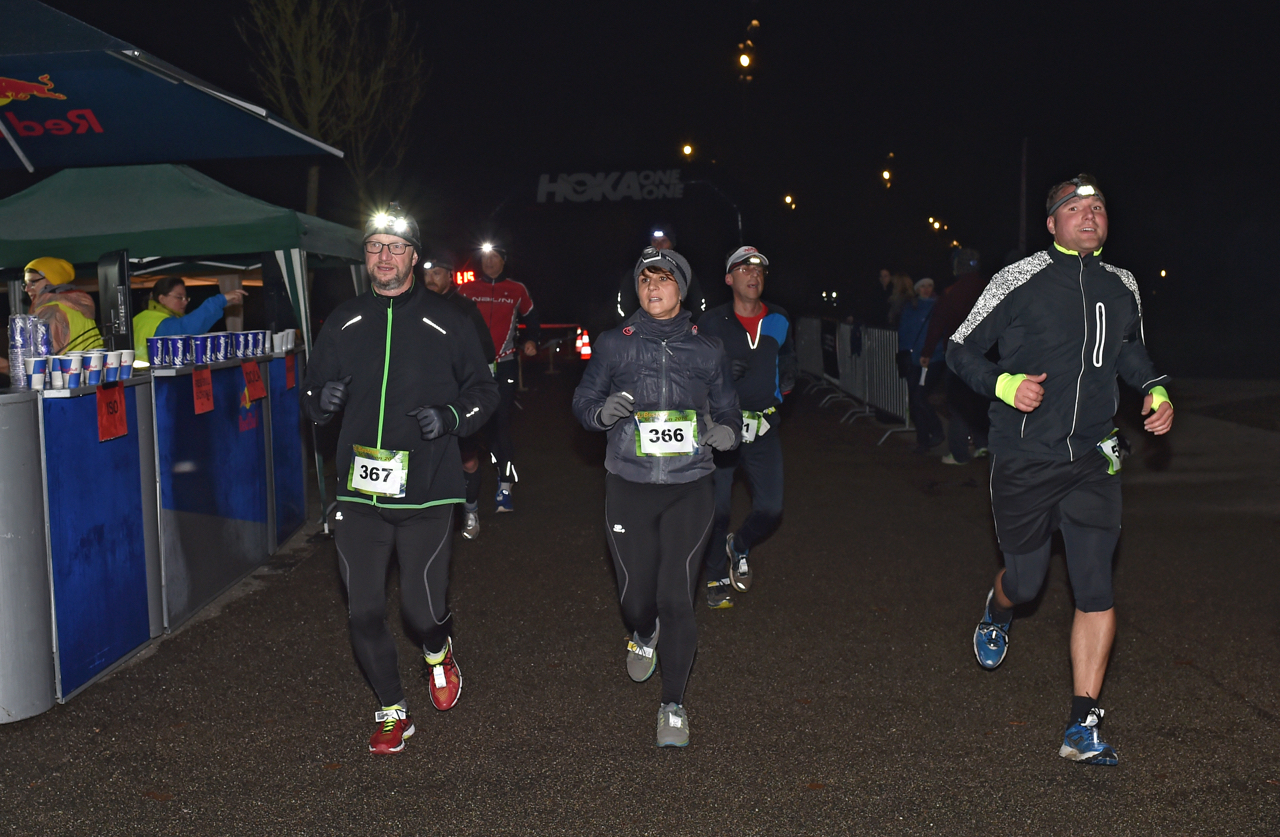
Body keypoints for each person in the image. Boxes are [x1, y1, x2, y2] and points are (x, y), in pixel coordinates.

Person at [947, 174, 1174, 765]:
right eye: (1075, 208)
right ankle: (998, 609)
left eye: (1098, 207)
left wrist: (1153, 388)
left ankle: (1082, 725)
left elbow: (1125, 347)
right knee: (1026, 585)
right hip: (1025, 457)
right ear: (1052, 223)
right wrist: (1005, 383)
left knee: (1095, 587)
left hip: (1095, 459)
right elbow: (959, 346)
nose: (1089, 214)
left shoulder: (1121, 284)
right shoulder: (1020, 278)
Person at [301, 204, 499, 754]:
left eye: (395, 247)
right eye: (374, 247)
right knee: (362, 609)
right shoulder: (343, 320)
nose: (383, 257)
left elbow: (485, 393)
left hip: (428, 488)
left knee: (420, 610)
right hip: (360, 491)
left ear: (413, 256)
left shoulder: (449, 320)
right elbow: (311, 397)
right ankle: (392, 709)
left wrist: (452, 418)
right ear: (365, 257)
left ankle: (438, 652)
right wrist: (323, 402)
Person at [572, 246, 741, 747]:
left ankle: (673, 705)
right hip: (629, 483)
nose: (652, 289)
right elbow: (583, 401)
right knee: (636, 598)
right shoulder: (613, 344)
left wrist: (728, 433)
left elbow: (728, 409)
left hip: (690, 485)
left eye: (663, 280)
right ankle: (643, 633)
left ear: (681, 289)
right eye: (645, 280)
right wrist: (600, 413)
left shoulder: (707, 349)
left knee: (676, 596)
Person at [698, 246, 795, 608]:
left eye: (759, 271)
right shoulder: (710, 323)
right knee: (718, 508)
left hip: (764, 427)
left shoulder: (780, 318)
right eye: (743, 269)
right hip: (723, 426)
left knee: (771, 509)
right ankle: (715, 575)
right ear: (729, 279)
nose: (753, 276)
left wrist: (789, 377)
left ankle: (739, 546)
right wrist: (720, 374)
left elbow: (788, 358)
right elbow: (692, 374)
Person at [455, 241, 540, 513]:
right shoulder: (467, 290)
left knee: (500, 422)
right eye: (485, 257)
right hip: (472, 368)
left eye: (495, 257)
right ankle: (465, 489)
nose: (489, 262)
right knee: (465, 424)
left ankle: (504, 486)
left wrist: (532, 340)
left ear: (504, 260)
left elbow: (532, 318)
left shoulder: (517, 289)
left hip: (504, 365)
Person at [422, 250, 496, 540]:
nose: (430, 279)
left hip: (459, 397)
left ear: (449, 276)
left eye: (436, 273)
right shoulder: (413, 305)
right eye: (426, 273)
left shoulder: (464, 308)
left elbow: (486, 351)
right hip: (426, 397)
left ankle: (470, 510)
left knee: (467, 459)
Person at [921, 248, 990, 464]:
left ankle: (959, 453)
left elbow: (937, 325)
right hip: (987, 355)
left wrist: (927, 352)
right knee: (980, 399)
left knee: (959, 404)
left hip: (960, 356)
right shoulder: (989, 288)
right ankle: (983, 445)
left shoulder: (952, 292)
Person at [132, 277, 248, 355]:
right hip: (156, 385)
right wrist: (219, 300)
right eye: (179, 297)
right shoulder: (163, 323)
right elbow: (189, 327)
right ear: (162, 299)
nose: (185, 302)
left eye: (186, 298)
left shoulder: (138, 318)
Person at [615, 225, 707, 323]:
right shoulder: (635, 273)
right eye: (655, 241)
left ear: (672, 244)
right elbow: (623, 309)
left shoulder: (683, 272)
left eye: (664, 241)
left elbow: (698, 305)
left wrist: (692, 329)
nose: (658, 246)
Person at [899, 277, 945, 452]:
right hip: (913, 359)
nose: (926, 289)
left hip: (932, 359)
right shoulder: (910, 307)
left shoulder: (938, 306)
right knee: (915, 400)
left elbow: (942, 333)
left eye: (930, 286)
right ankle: (922, 441)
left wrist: (931, 352)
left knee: (919, 397)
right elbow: (904, 331)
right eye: (923, 286)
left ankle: (937, 430)